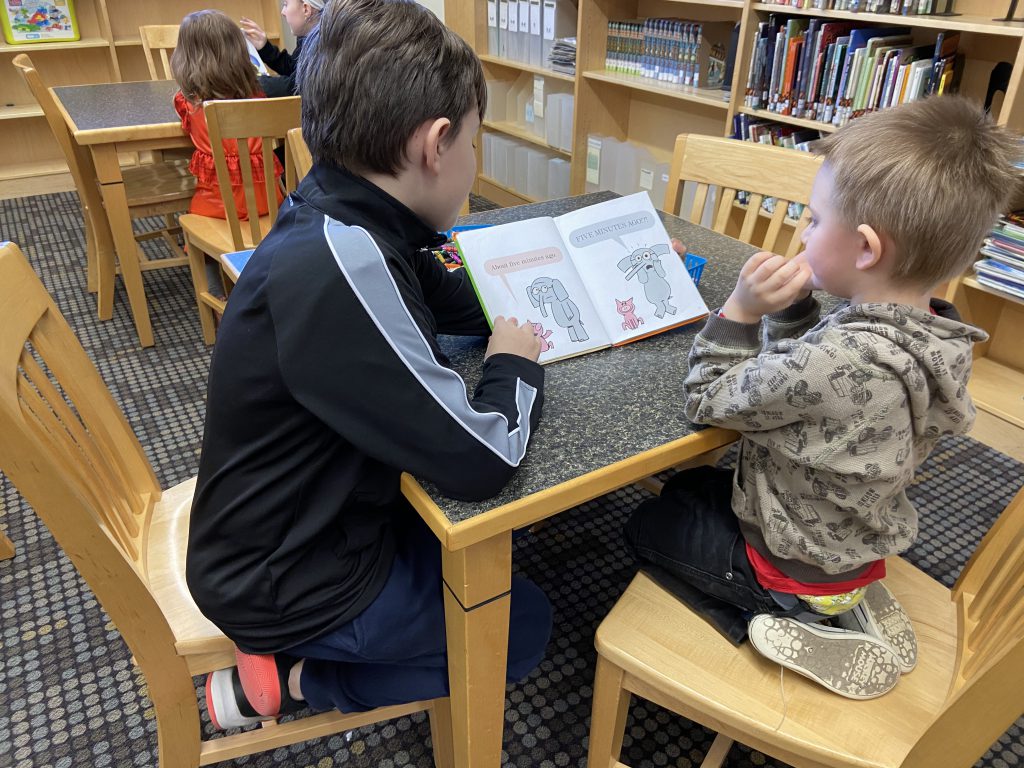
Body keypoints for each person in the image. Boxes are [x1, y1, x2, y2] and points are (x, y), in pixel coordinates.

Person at [188, 0, 552, 729]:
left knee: (488, 557)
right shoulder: (341, 264)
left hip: (293, 519)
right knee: (525, 626)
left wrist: (578, 281)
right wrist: (515, 366)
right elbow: (482, 457)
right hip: (289, 576)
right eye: (476, 146)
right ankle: (297, 680)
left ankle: (305, 658)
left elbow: (440, 292)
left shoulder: (343, 204)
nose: (475, 166)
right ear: (436, 144)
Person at [624, 96, 1021, 700]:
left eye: (812, 220)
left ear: (865, 248)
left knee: (648, 522)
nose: (803, 233)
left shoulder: (834, 363)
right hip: (852, 539)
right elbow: (817, 388)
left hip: (787, 562)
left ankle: (788, 619)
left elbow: (707, 398)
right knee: (690, 488)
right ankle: (849, 597)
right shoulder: (940, 334)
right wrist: (797, 311)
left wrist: (739, 313)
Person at [170, 9, 284, 221]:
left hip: (216, 211)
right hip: (270, 206)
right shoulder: (262, 97)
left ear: (185, 58)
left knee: (197, 203)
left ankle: (207, 251)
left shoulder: (188, 103)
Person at [240, 0, 323, 98]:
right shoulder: (307, 37)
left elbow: (295, 87)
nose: (282, 12)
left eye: (285, 4)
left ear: (306, 9)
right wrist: (264, 47)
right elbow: (292, 68)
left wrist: (251, 83)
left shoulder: (325, 45)